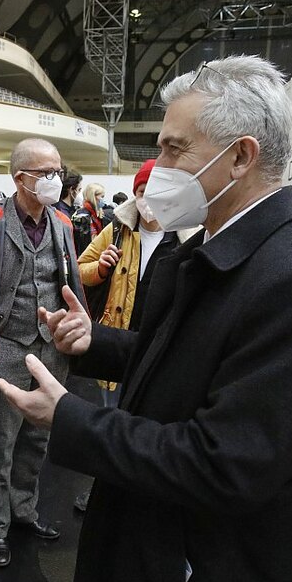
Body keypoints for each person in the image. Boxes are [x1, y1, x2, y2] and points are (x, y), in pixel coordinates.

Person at [0, 55, 292, 582]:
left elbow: (226, 464)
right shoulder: (215, 253)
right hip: (154, 552)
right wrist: (94, 342)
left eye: (174, 149)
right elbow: (178, 363)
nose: (159, 165)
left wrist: (69, 419)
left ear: (241, 156)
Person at [0, 138, 86, 568]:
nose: (55, 179)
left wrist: (71, 335)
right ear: (20, 179)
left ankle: (23, 511)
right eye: (45, 172)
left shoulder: (63, 225)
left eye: (57, 170)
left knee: (38, 438)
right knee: (0, 445)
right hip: (4, 348)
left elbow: (71, 286)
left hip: (50, 350)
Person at [78, 158, 183, 409]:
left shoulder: (186, 236)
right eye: (142, 192)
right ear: (135, 194)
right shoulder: (117, 229)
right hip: (117, 340)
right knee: (111, 412)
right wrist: (101, 268)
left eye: (156, 192)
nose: (149, 199)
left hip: (161, 346)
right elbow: (81, 269)